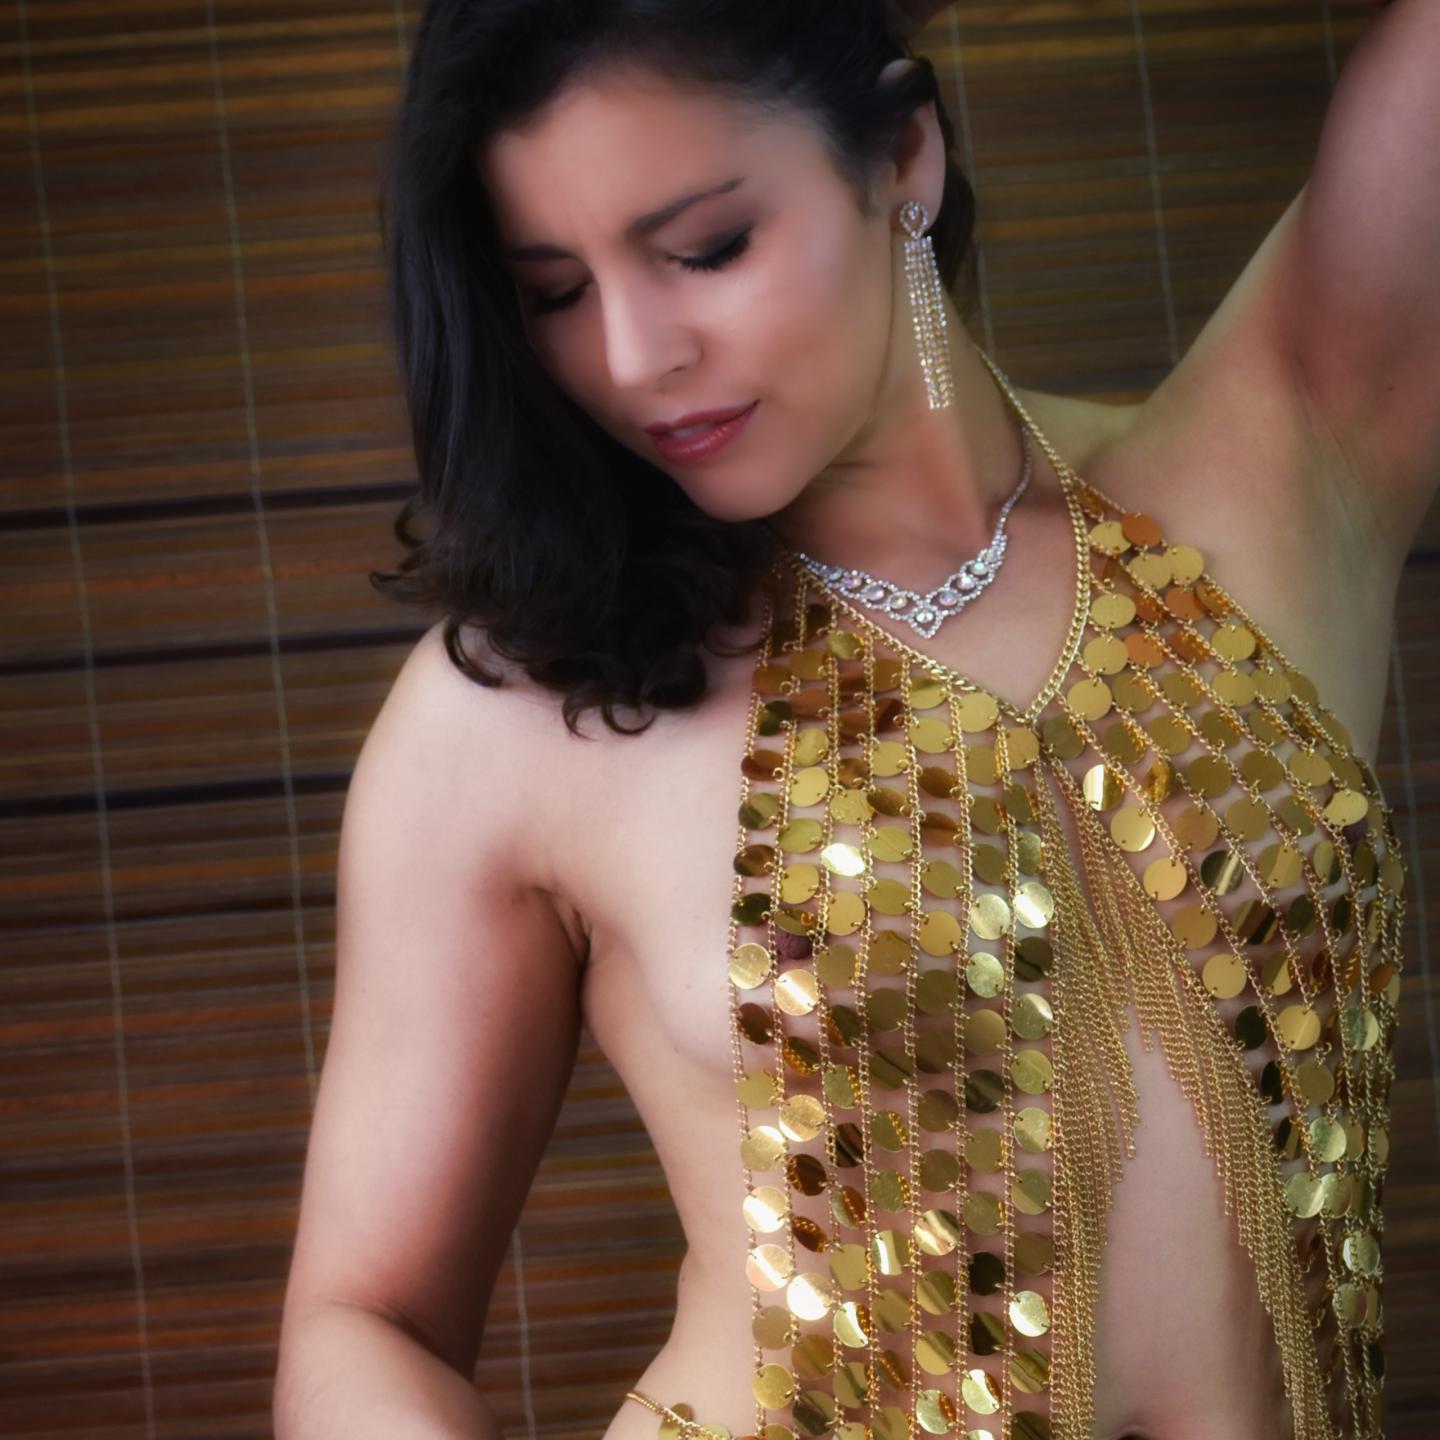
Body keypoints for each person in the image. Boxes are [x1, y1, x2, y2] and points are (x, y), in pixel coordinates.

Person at [272, 2, 1437, 1438]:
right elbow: (361, 1323)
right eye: (556, 290)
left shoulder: (1284, 452)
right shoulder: (524, 709)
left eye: (706, 248)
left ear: (902, 154)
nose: (633, 356)